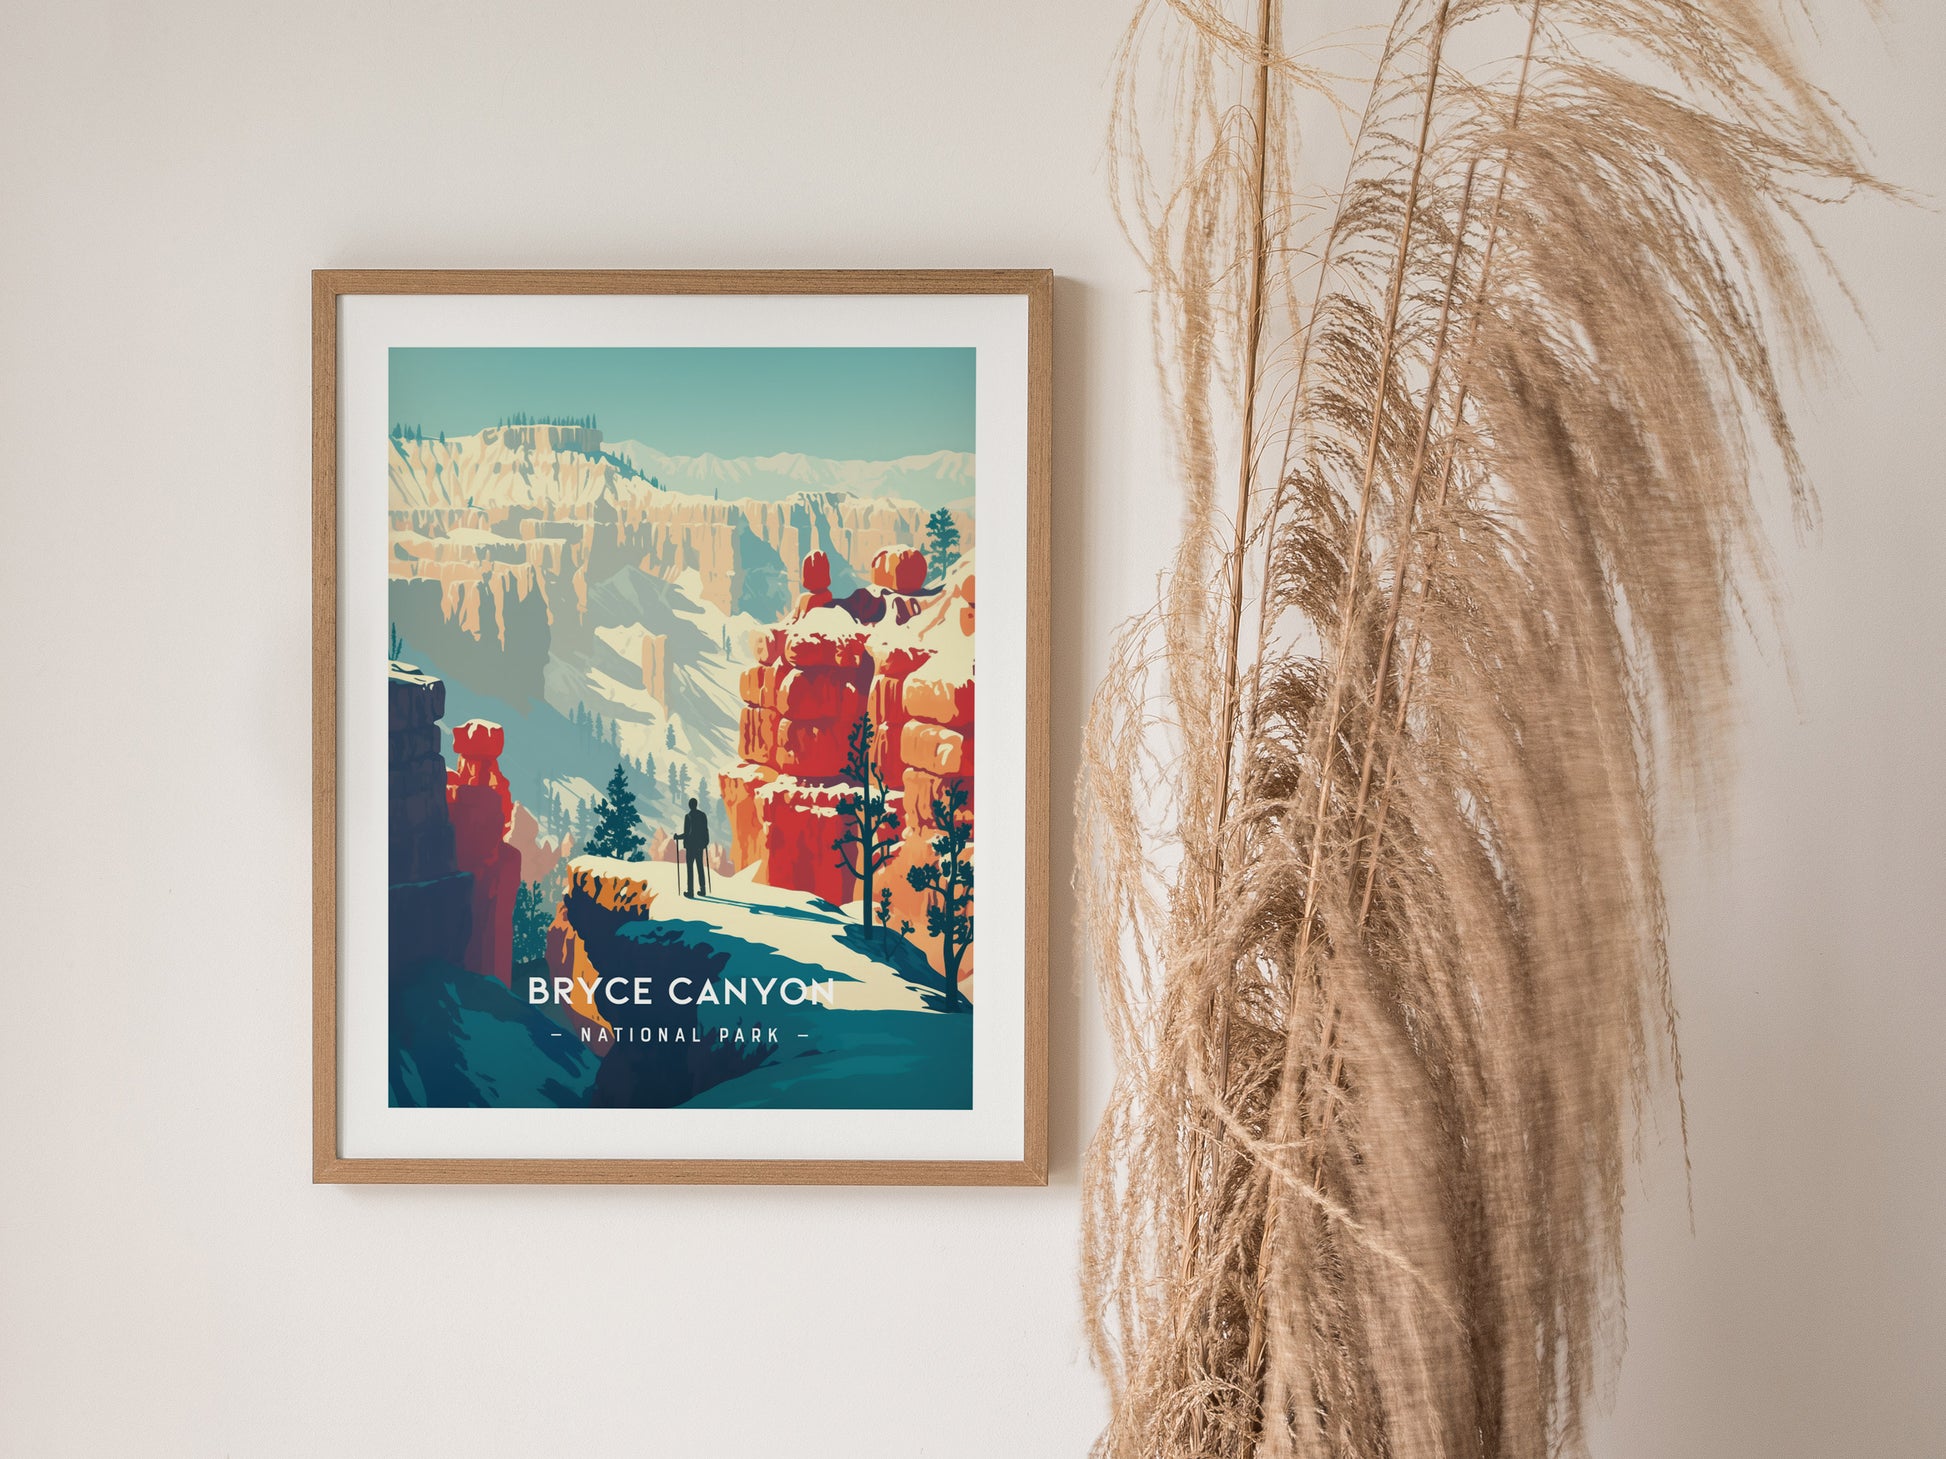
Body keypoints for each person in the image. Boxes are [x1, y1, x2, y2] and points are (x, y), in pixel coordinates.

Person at [680, 796, 711, 898]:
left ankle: (690, 891)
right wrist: (705, 843)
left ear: (689, 805)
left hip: (690, 846)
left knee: (690, 868)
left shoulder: (688, 816)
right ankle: (703, 889)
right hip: (700, 846)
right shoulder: (702, 815)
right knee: (700, 867)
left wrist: (677, 837)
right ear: (696, 804)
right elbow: (706, 830)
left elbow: (686, 833)